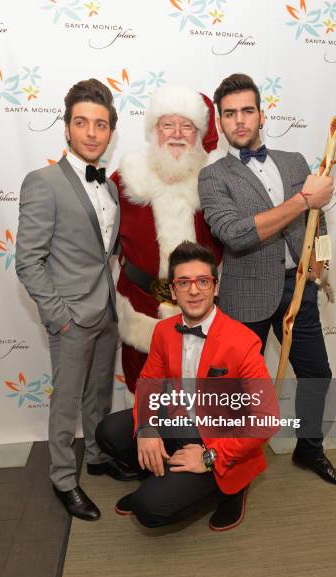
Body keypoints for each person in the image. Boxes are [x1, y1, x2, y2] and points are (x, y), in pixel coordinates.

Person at [198, 73, 336, 487]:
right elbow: (236, 233)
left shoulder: (295, 162)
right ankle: (233, 461)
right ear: (221, 122)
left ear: (261, 114)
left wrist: (321, 262)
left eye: (247, 110)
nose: (240, 121)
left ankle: (310, 449)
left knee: (317, 372)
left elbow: (317, 223)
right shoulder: (213, 177)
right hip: (244, 293)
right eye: (229, 114)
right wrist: (304, 199)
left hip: (297, 288)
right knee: (239, 390)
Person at [96, 241, 279, 531]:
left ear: (216, 287)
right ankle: (162, 476)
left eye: (203, 281)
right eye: (183, 282)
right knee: (108, 432)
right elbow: (149, 383)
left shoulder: (242, 342)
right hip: (179, 422)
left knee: (149, 509)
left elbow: (266, 421)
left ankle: (229, 489)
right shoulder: (164, 331)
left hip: (219, 441)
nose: (194, 291)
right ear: (172, 292)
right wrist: (147, 429)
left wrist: (209, 458)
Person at [16, 79, 126, 522]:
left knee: (99, 394)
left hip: (106, 311)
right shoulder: (42, 182)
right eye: (82, 123)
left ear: (110, 132)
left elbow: (106, 254)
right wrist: (58, 317)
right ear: (66, 128)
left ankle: (97, 457)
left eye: (101, 124)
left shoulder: (112, 189)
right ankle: (64, 478)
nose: (92, 133)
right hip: (71, 317)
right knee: (66, 402)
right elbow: (28, 261)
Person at [110, 85, 221, 405]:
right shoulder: (128, 177)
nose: (177, 133)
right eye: (167, 124)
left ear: (198, 133)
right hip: (141, 306)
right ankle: (144, 450)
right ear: (153, 130)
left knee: (196, 394)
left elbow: (227, 240)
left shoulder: (212, 180)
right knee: (142, 391)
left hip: (199, 307)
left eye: (187, 126)